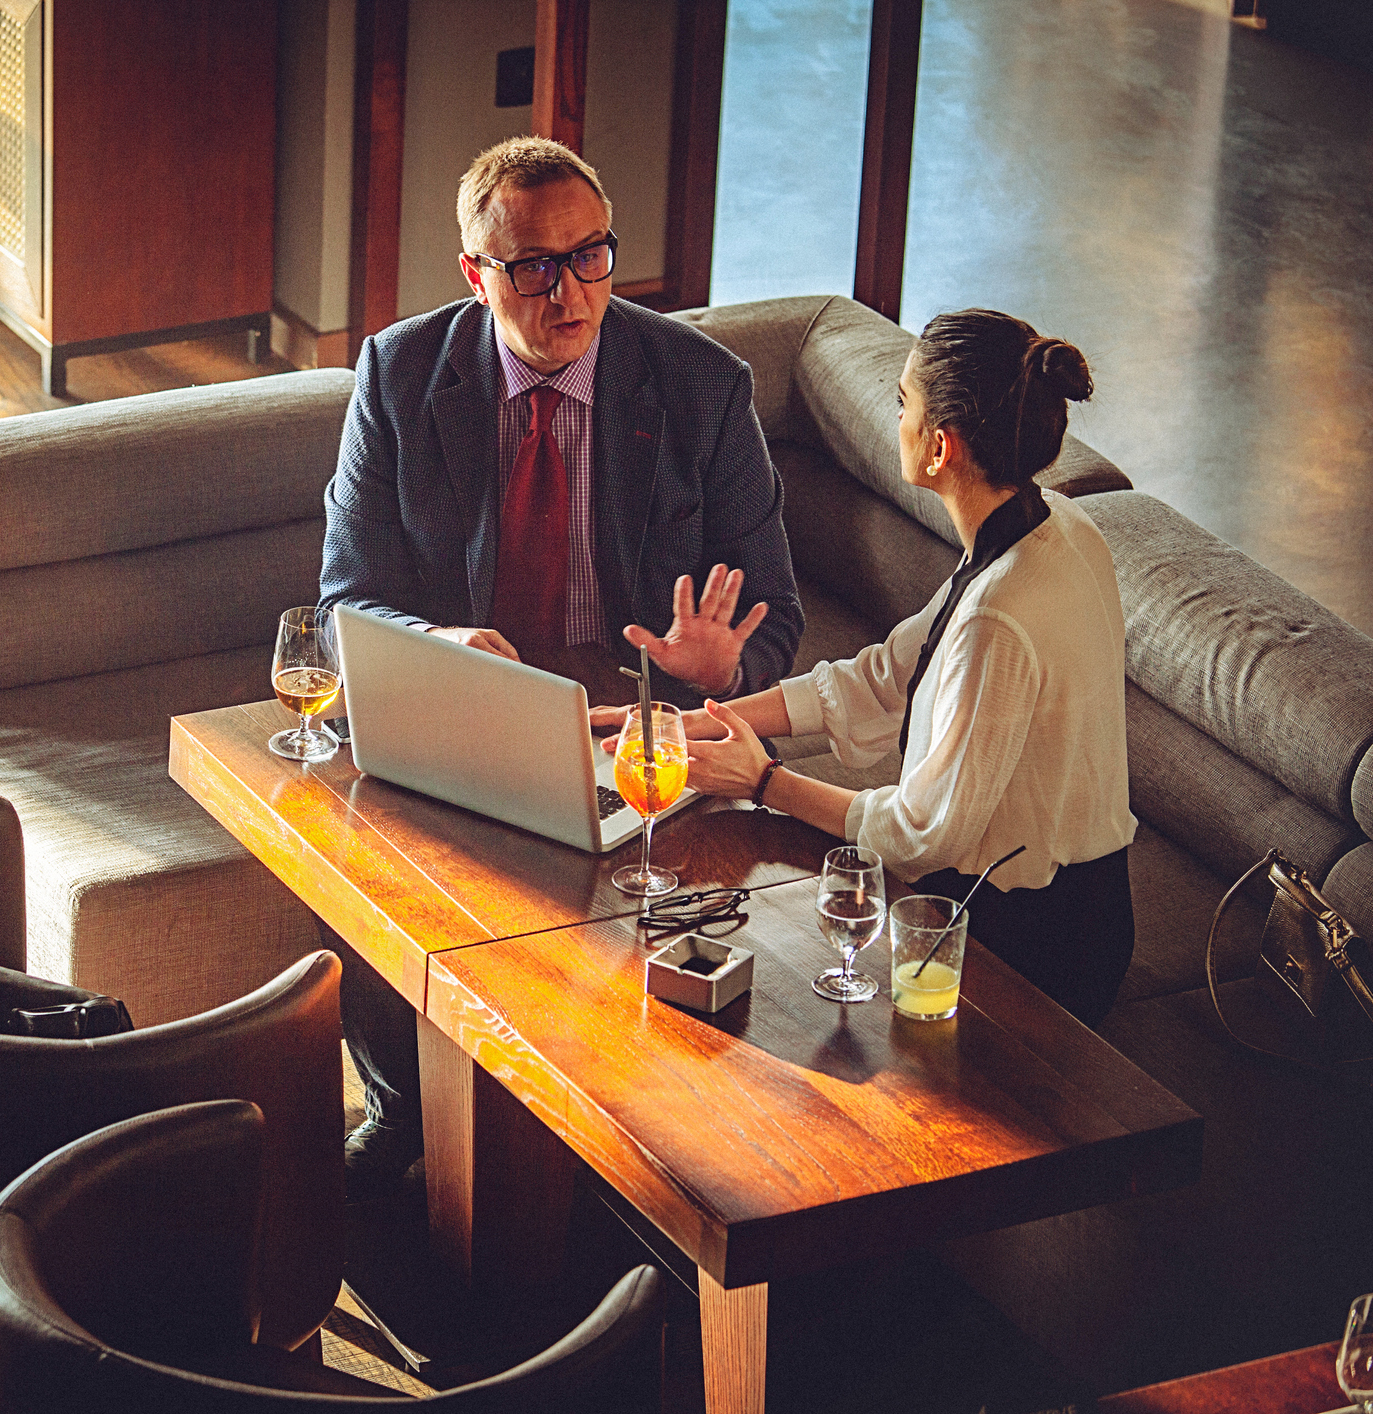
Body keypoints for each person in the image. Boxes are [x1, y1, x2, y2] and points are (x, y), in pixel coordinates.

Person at [319, 136, 804, 1199]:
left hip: (637, 723)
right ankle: (401, 1112)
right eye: (533, 265)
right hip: (474, 708)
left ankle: (623, 1150)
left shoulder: (702, 387)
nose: (568, 289)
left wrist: (721, 664)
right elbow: (344, 596)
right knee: (372, 847)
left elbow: (777, 627)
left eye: (591, 256)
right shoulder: (402, 374)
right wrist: (438, 646)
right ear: (476, 274)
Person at [638, 309, 1138, 1028]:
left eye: (902, 403)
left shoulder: (999, 613)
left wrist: (765, 783)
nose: (893, 418)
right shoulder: (1051, 526)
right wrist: (689, 721)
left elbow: (923, 832)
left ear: (939, 447)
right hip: (1074, 910)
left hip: (1030, 947)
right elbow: (883, 677)